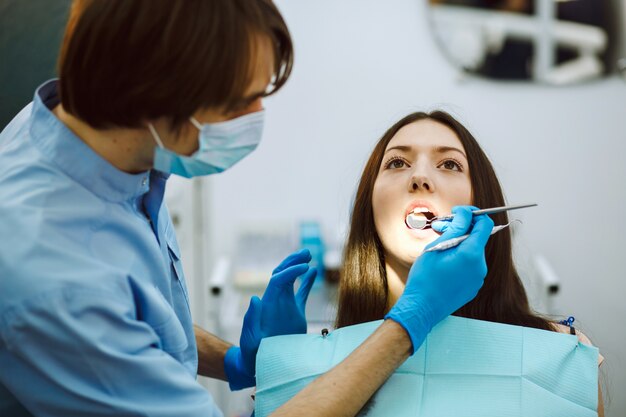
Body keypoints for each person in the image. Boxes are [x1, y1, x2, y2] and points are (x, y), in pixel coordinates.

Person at [0, 1, 493, 416]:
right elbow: (96, 308)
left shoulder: (93, 132)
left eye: (450, 165)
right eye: (240, 102)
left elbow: (131, 315)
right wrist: (412, 320)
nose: (258, 117)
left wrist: (239, 362)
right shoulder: (54, 280)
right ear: (152, 100)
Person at [335, 110, 605, 415]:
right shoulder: (322, 364)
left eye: (449, 164)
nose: (419, 177)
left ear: (482, 200)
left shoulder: (562, 356)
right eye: (397, 162)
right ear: (367, 205)